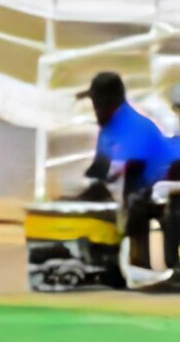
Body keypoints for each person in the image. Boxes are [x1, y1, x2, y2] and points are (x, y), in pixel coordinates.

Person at [77, 70, 180, 287]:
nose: (95, 107)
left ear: (109, 101)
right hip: (149, 190)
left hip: (159, 189)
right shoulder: (109, 127)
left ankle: (160, 269)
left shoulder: (134, 126)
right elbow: (99, 170)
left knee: (142, 205)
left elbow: (132, 169)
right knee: (131, 202)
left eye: (97, 101)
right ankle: (134, 267)